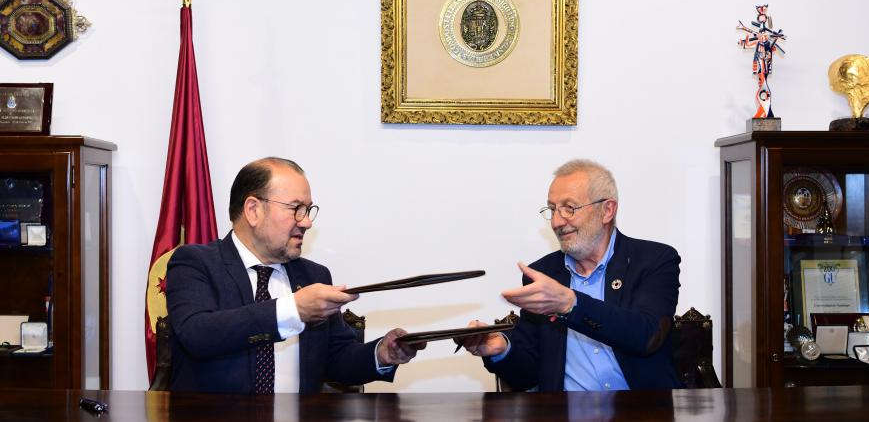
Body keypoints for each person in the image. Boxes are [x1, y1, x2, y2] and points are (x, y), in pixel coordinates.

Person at [166, 157, 423, 393]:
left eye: (308, 210)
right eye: (296, 208)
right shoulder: (195, 262)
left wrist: (382, 355)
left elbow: (337, 359)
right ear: (253, 210)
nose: (307, 222)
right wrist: (293, 310)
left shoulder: (313, 275)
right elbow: (198, 335)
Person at [457, 159, 682, 391]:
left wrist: (571, 304)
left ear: (607, 210)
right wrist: (502, 350)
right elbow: (528, 375)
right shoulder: (544, 274)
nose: (556, 222)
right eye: (553, 209)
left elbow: (646, 336)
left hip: (643, 411)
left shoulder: (654, 260)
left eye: (569, 208)